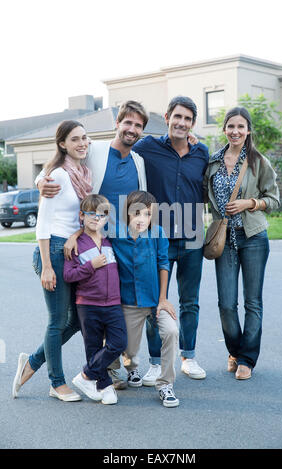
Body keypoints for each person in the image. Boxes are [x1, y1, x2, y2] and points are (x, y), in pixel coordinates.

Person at [35, 101, 149, 389]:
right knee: (91, 307)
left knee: (122, 303)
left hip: (124, 243)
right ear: (117, 123)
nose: (131, 129)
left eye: (138, 125)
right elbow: (58, 166)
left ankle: (125, 361)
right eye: (127, 123)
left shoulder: (139, 160)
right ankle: (103, 370)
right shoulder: (94, 149)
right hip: (92, 242)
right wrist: (40, 180)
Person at [12, 120, 93, 401]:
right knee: (58, 320)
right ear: (62, 144)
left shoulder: (83, 173)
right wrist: (47, 265)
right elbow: (43, 223)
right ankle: (56, 382)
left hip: (71, 249)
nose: (82, 143)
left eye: (84, 138)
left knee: (76, 320)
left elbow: (81, 216)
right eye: (75, 139)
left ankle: (33, 362)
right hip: (53, 251)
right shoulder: (57, 175)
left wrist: (78, 233)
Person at [133, 96, 209, 385]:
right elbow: (117, 151)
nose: (182, 122)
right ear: (167, 117)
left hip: (192, 238)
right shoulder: (147, 147)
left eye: (187, 119)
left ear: (192, 124)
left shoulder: (201, 152)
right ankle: (155, 362)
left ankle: (188, 356)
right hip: (157, 238)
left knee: (190, 301)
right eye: (177, 116)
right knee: (155, 300)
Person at [203, 106, 280, 380]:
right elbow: (202, 196)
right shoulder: (212, 162)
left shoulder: (259, 162)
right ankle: (235, 350)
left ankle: (247, 359)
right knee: (226, 304)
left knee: (252, 302)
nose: (235, 131)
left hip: (253, 238)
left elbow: (274, 200)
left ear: (248, 131)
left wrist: (250, 202)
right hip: (224, 241)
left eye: (241, 127)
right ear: (224, 129)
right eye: (231, 126)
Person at [110, 190, 179, 407]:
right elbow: (90, 234)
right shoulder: (115, 235)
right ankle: (131, 369)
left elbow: (163, 264)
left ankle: (165, 384)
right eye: (137, 213)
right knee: (128, 348)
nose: (142, 219)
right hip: (129, 301)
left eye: (148, 214)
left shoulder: (158, 233)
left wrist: (163, 299)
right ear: (127, 214)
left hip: (156, 301)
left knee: (171, 331)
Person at [63, 194, 127, 404]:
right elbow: (68, 275)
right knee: (93, 347)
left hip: (113, 304)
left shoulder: (109, 242)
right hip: (88, 304)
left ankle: (85, 376)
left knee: (118, 343)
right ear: (82, 216)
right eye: (92, 214)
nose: (97, 218)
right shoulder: (76, 244)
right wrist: (91, 266)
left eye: (102, 215)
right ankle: (104, 385)